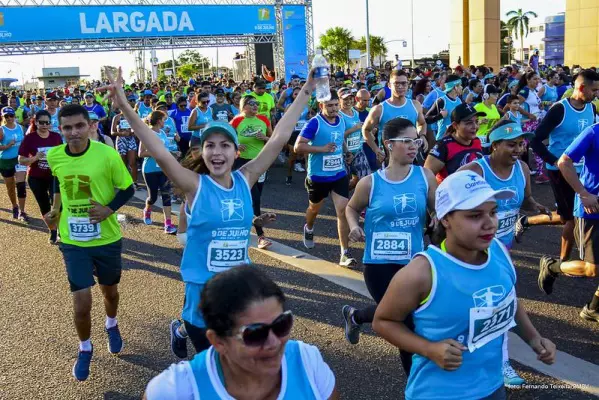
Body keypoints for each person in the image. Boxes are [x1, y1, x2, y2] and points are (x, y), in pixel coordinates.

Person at [99, 66, 313, 358]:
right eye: (210, 145)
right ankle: (183, 329)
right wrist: (123, 104)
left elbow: (278, 138)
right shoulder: (194, 185)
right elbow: (159, 151)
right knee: (212, 370)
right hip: (203, 297)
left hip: (240, 292)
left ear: (236, 152)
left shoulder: (245, 178)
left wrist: (308, 89)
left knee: (238, 365)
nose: (217, 151)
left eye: (225, 145)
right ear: (203, 152)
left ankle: (185, 333)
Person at [373, 170, 557, 400]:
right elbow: (383, 321)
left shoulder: (499, 252)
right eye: (474, 215)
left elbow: (509, 299)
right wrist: (428, 349)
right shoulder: (423, 272)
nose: (489, 223)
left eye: (493, 212)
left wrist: (533, 338)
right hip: (438, 393)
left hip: (493, 387)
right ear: (446, 219)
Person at [144, 266, 339, 400]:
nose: (274, 343)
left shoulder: (307, 362)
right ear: (218, 341)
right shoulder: (178, 390)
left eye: (281, 324)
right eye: (255, 334)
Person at [45, 104, 135, 381]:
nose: (74, 132)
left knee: (110, 293)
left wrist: (109, 209)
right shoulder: (55, 156)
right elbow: (59, 183)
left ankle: (112, 323)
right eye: (67, 128)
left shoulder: (107, 155)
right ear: (60, 130)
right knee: (81, 303)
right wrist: (56, 210)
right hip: (73, 240)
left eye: (79, 126)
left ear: (91, 126)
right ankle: (85, 348)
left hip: (106, 238)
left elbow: (128, 188)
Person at [459, 120, 551, 387]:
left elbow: (525, 200)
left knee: (496, 305)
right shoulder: (475, 170)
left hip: (503, 249)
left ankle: (491, 359)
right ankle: (499, 363)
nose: (518, 150)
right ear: (495, 144)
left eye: (521, 144)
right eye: (511, 145)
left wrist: (536, 207)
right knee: (493, 305)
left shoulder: (522, 169)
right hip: (474, 252)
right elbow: (444, 197)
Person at [342, 118, 436, 376]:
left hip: (414, 266)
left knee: (406, 319)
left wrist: (440, 219)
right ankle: (415, 388)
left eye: (415, 141)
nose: (413, 146)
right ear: (389, 144)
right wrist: (353, 226)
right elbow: (351, 207)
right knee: (404, 321)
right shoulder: (370, 183)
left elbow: (437, 210)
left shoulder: (425, 177)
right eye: (406, 141)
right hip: (379, 265)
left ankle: (356, 316)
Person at [527, 69, 599, 262]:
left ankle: (526, 221)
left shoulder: (592, 109)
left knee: (574, 214)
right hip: (561, 171)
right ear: (582, 87)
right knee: (570, 218)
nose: (596, 94)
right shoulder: (560, 109)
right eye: (594, 90)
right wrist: (554, 162)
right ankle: (561, 263)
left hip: (583, 171)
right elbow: (535, 140)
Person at [295, 90, 356, 267]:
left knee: (343, 211)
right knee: (314, 209)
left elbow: (340, 138)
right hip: (318, 176)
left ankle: (344, 253)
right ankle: (309, 227)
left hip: (338, 173)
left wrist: (346, 152)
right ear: (322, 106)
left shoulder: (341, 120)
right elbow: (298, 147)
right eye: (330, 105)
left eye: (336, 105)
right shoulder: (314, 123)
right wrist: (321, 149)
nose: (334, 108)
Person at [552, 122, 599, 322]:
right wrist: (583, 193)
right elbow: (564, 162)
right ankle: (553, 267)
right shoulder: (593, 131)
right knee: (592, 269)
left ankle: (593, 309)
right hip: (592, 209)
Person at [230, 95, 274, 250]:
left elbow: (273, 139)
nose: (256, 106)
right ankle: (261, 236)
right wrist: (235, 145)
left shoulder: (264, 119)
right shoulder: (237, 120)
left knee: (256, 196)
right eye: (252, 103)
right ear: (244, 106)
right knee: (255, 199)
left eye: (257, 103)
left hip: (261, 163)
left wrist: (265, 137)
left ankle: (240, 223)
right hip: (243, 164)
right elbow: (226, 138)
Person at [362, 70, 427, 166]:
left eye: (403, 83)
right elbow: (365, 130)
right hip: (389, 159)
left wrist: (422, 136)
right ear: (389, 85)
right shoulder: (379, 109)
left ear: (408, 85)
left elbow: (422, 123)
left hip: (412, 156)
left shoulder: (415, 105)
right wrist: (376, 149)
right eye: (396, 83)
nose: (400, 86)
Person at [17, 110, 63, 242]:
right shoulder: (30, 138)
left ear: (50, 123)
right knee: (44, 205)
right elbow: (21, 159)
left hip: (54, 176)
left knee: (58, 205)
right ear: (36, 123)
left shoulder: (56, 137)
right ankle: (52, 230)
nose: (44, 125)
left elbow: (62, 156)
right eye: (41, 122)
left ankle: (60, 230)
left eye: (47, 122)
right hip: (36, 177)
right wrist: (35, 158)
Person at [424, 103, 484, 184]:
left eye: (476, 121)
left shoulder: (477, 141)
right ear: (455, 125)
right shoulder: (443, 146)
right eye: (469, 123)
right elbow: (426, 177)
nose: (475, 126)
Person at [139, 110, 178, 234]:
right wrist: (157, 153)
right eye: (163, 119)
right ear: (158, 120)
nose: (164, 122)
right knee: (153, 197)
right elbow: (141, 153)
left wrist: (173, 153)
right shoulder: (146, 133)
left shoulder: (162, 133)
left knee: (167, 194)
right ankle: (147, 209)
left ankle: (168, 224)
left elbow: (165, 149)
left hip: (163, 168)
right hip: (150, 169)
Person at [338, 87, 370, 189]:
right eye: (345, 99)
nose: (349, 101)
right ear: (339, 100)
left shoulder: (355, 112)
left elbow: (359, 129)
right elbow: (338, 136)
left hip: (358, 150)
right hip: (344, 153)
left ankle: (359, 201)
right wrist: (354, 128)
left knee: (366, 179)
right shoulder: (338, 115)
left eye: (350, 98)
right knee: (344, 184)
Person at [0, 106, 28, 221]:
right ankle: (14, 206)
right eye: (6, 116)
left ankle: (22, 211)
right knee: (10, 187)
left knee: (21, 185)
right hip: (5, 161)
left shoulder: (20, 128)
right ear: (3, 117)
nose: (9, 118)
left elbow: (25, 143)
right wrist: (7, 146)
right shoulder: (1, 129)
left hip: (19, 159)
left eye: (11, 115)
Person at [112, 95, 139, 189]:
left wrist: (132, 132)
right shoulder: (117, 117)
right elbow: (112, 132)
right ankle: (124, 182)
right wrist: (122, 133)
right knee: (122, 164)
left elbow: (137, 130)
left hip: (131, 139)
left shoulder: (132, 116)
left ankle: (134, 182)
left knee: (132, 162)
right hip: (121, 140)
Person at [425, 74, 463, 141]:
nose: (462, 87)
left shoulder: (459, 100)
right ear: (455, 87)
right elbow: (427, 119)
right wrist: (440, 116)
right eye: (460, 85)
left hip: (457, 139)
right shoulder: (441, 101)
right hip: (442, 139)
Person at [284, 87, 309, 185]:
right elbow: (284, 121)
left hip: (304, 133)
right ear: (292, 96)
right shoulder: (289, 106)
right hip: (293, 133)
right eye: (295, 94)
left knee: (307, 156)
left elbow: (310, 116)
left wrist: (309, 117)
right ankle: (289, 174)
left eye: (300, 93)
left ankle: (308, 178)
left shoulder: (306, 106)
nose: (298, 95)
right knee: (293, 156)